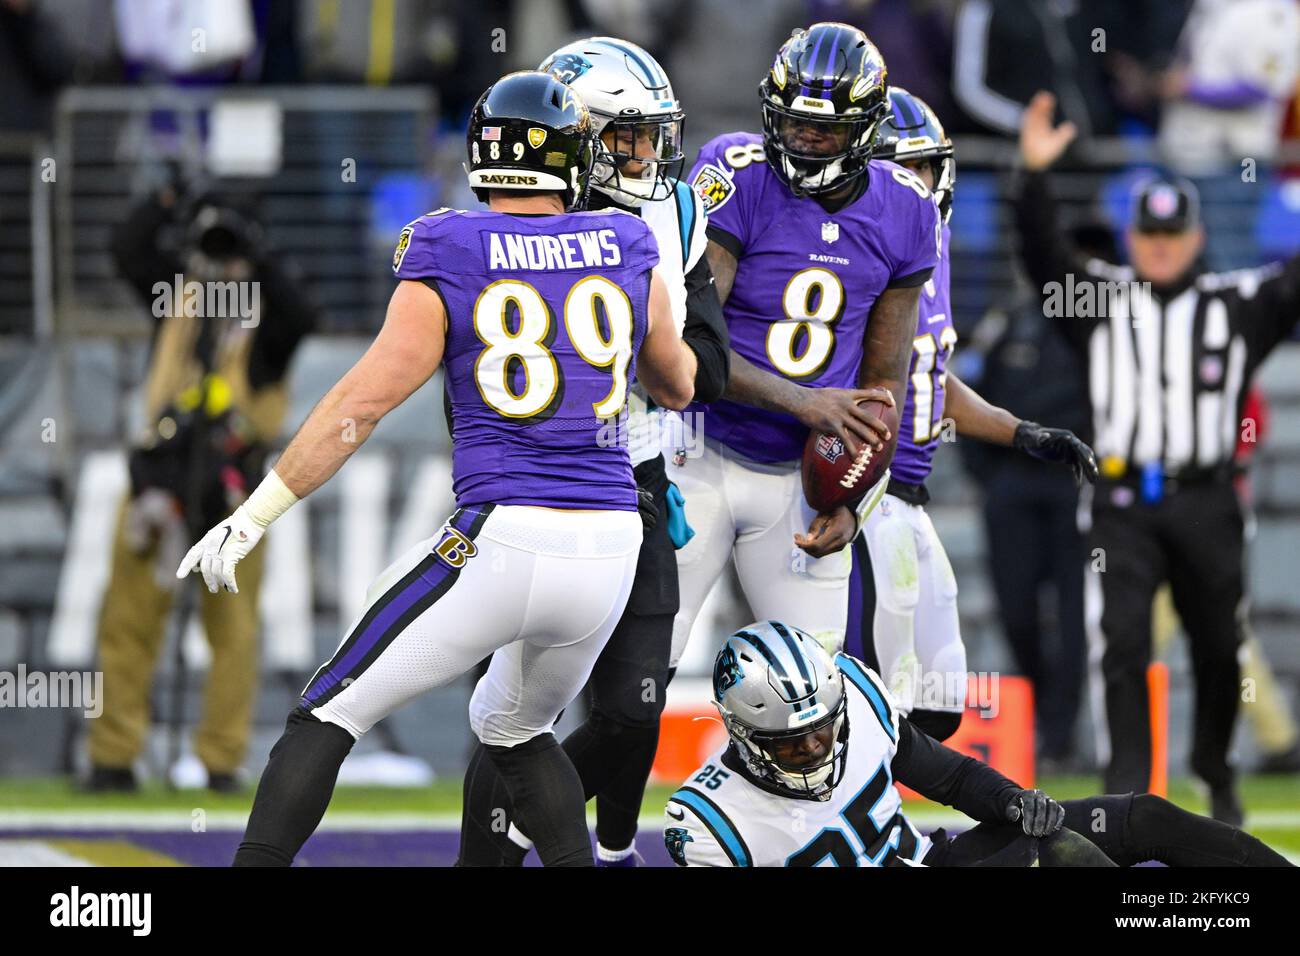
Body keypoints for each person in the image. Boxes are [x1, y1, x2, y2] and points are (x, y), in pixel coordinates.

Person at [178, 70, 696, 867]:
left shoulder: (451, 243)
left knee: (325, 713)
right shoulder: (630, 244)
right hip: (610, 545)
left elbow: (362, 403)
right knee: (518, 733)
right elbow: (679, 383)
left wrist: (254, 515)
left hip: (504, 533)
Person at [456, 36, 730, 868]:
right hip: (523, 483)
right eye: (626, 138)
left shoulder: (674, 212)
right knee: (512, 715)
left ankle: (608, 847)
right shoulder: (515, 217)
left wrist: (644, 350)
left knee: (638, 705)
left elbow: (708, 369)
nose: (646, 157)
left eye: (653, 136)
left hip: (637, 478)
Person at [1014, 90, 1300, 823]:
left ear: (1196, 238)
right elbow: (1043, 256)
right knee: (1124, 645)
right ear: (1133, 237)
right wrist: (1035, 174)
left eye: (1173, 235)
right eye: (1150, 234)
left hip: (1209, 496)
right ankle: (1128, 793)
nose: (1162, 246)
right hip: (1121, 501)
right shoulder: (1101, 301)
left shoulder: (1238, 303)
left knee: (1216, 644)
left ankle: (1213, 764)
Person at [671, 21, 940, 673]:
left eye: (826, 129)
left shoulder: (907, 209)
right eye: (794, 123)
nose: (807, 139)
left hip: (799, 477)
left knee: (822, 684)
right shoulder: (736, 171)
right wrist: (804, 402)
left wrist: (854, 495)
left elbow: (885, 383)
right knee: (642, 674)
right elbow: (692, 345)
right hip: (697, 451)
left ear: (867, 129)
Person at [844, 88, 1097, 743]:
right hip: (859, 499)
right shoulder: (847, 257)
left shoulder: (933, 246)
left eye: (921, 168)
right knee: (870, 694)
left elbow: (928, 374)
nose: (913, 186)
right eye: (894, 170)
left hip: (907, 502)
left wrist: (1020, 433)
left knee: (939, 700)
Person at [663, 621, 1293, 867]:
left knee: (1139, 817)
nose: (819, 748)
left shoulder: (851, 692)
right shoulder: (710, 821)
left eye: (825, 728)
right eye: (794, 744)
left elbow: (953, 779)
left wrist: (1016, 803)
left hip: (935, 862)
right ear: (743, 734)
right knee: (1056, 860)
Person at [88, 185, 318, 793]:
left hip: (236, 487)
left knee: (233, 627)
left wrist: (255, 254)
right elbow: (126, 249)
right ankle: (113, 758)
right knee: (128, 617)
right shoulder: (179, 292)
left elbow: (302, 315)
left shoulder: (270, 314)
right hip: (158, 478)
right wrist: (170, 201)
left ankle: (221, 760)